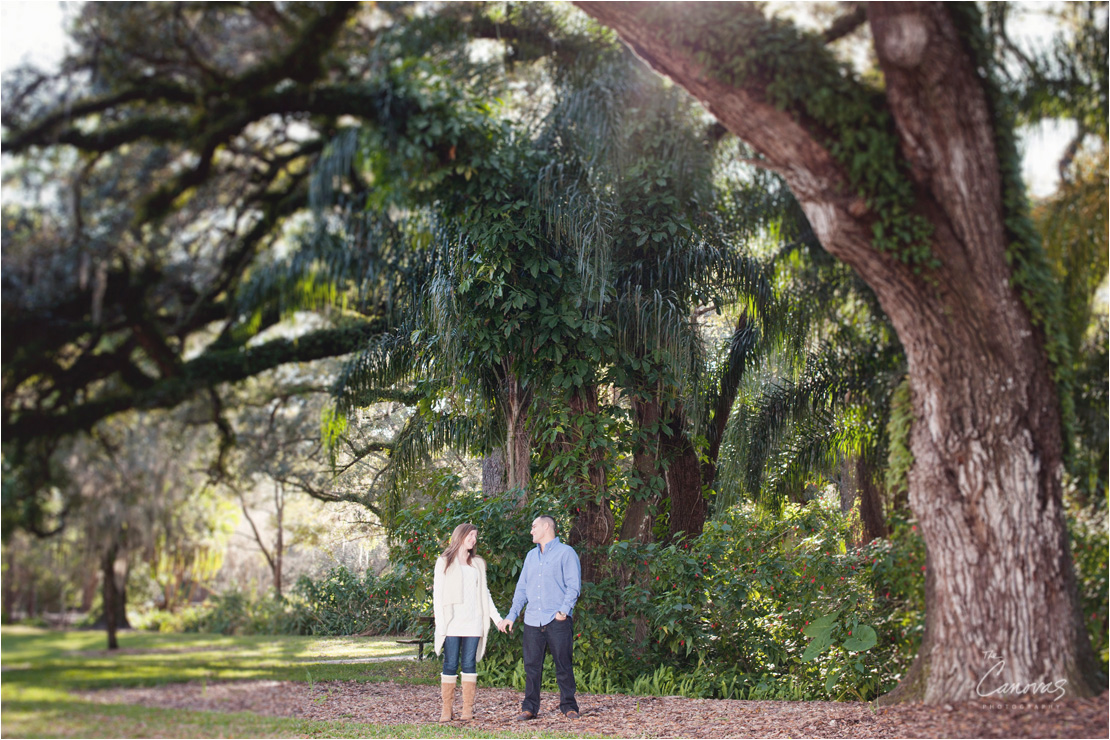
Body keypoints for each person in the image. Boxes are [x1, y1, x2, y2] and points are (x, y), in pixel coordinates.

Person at [497, 515, 582, 720]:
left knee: (563, 665)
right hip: (533, 620)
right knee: (532, 667)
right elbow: (522, 589)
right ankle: (529, 708)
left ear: (546, 527)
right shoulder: (530, 557)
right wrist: (511, 616)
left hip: (557, 620)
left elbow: (573, 586)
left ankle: (569, 707)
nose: (531, 530)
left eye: (534, 526)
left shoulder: (566, 553)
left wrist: (563, 611)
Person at [433, 522, 503, 722]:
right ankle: (447, 710)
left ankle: (467, 710)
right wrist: (441, 624)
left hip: (474, 621)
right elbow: (438, 595)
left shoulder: (478, 563)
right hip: (452, 622)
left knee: (469, 663)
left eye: (475, 536)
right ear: (459, 536)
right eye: (470, 535)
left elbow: (485, 594)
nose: (473, 539)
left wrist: (496, 619)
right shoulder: (444, 561)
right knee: (450, 663)